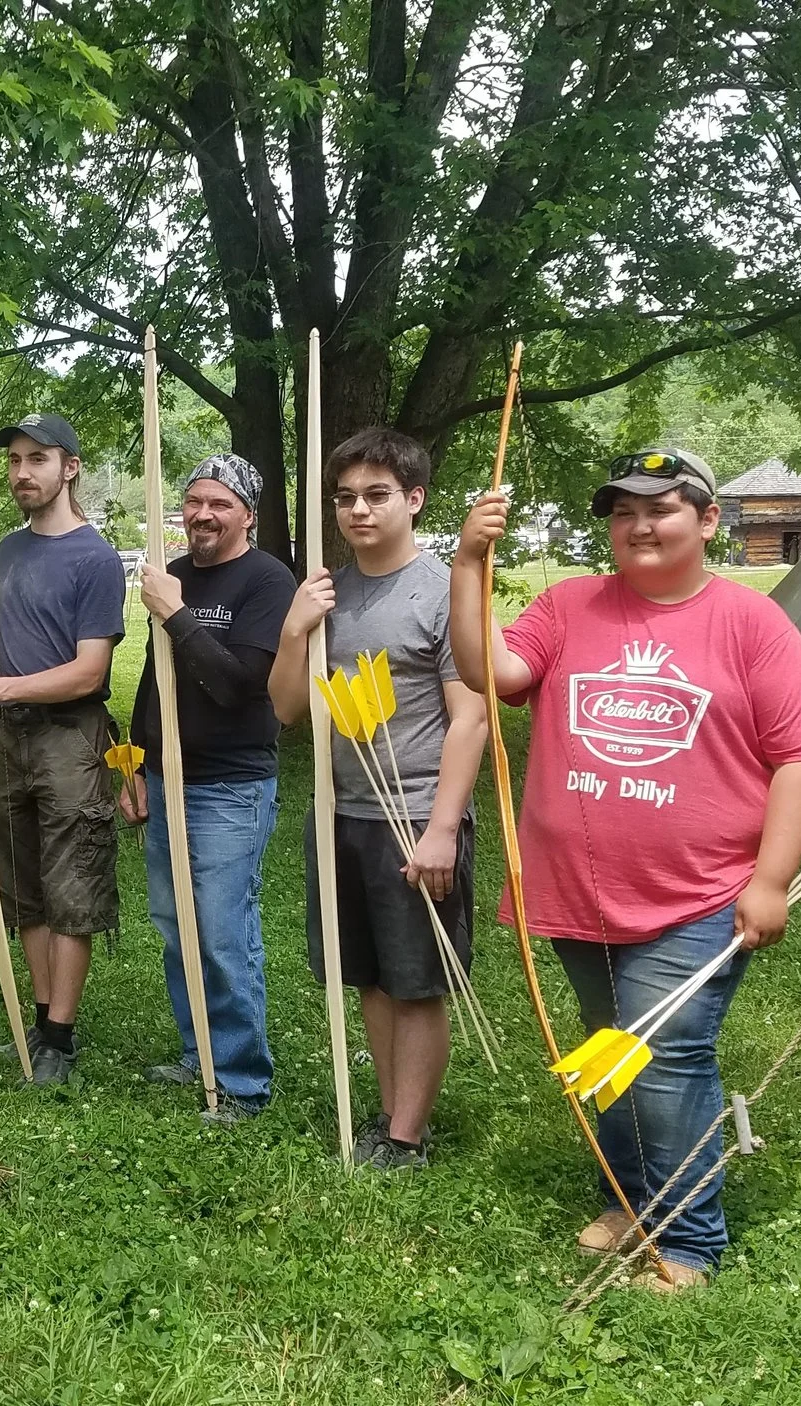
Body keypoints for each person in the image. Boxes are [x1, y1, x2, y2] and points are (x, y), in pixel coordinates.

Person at [451, 447, 801, 1291]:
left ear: (708, 520)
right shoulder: (568, 605)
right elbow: (490, 671)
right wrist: (468, 563)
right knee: (610, 1049)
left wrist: (770, 881)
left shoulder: (752, 624)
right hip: (578, 889)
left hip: (698, 895)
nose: (639, 525)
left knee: (665, 1059)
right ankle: (630, 1199)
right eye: (623, 512)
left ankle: (688, 1240)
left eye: (660, 509)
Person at [268, 429, 489, 1167]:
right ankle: (392, 1113)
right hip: (341, 812)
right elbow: (287, 709)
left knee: (415, 982)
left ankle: (405, 1137)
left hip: (416, 813)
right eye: (345, 498)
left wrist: (443, 830)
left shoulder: (444, 593)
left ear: (414, 499)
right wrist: (295, 630)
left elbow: (471, 718)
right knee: (368, 974)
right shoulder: (326, 593)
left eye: (376, 495)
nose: (358, 510)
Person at [119, 452, 296, 1124]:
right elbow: (153, 676)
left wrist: (174, 613)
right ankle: (201, 1055)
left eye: (219, 503)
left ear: (247, 514)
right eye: (194, 501)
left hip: (229, 786)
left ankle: (243, 1081)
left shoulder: (267, 580)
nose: (202, 514)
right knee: (176, 927)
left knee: (222, 933)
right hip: (165, 776)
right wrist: (133, 762)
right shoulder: (176, 574)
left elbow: (237, 685)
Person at [0, 412, 127, 1087]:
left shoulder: (96, 557)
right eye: (14, 460)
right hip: (9, 738)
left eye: (38, 459)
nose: (22, 472)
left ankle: (61, 1038)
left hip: (70, 740)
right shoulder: (12, 548)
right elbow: (40, 626)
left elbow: (88, 670)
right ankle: (41, 1022)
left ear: (70, 468)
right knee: (22, 888)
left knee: (71, 888)